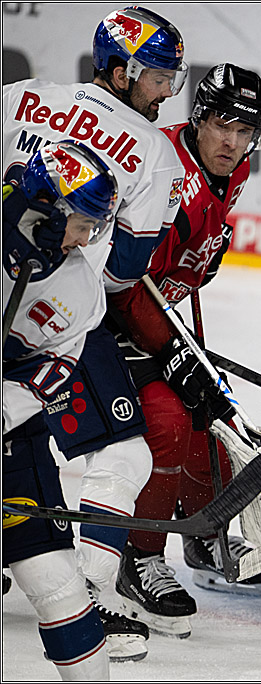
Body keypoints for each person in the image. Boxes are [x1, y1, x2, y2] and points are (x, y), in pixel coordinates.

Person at [2, 5, 189, 661]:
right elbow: (121, 274)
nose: (168, 92)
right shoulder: (158, 156)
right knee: (124, 455)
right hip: (58, 313)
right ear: (123, 68)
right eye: (160, 76)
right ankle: (89, 591)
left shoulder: (20, 97)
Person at [105, 63, 261, 637]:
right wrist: (171, 352)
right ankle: (141, 556)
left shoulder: (232, 169)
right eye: (223, 124)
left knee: (212, 414)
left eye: (246, 130)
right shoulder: (166, 173)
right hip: (107, 316)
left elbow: (181, 266)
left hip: (157, 312)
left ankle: (205, 534)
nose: (233, 141)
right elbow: (126, 283)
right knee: (173, 421)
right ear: (199, 117)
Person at [3, 141, 119, 680]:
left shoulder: (78, 288)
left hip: (14, 442)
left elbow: (57, 366)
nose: (86, 240)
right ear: (47, 208)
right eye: (81, 224)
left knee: (56, 583)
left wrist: (5, 411)